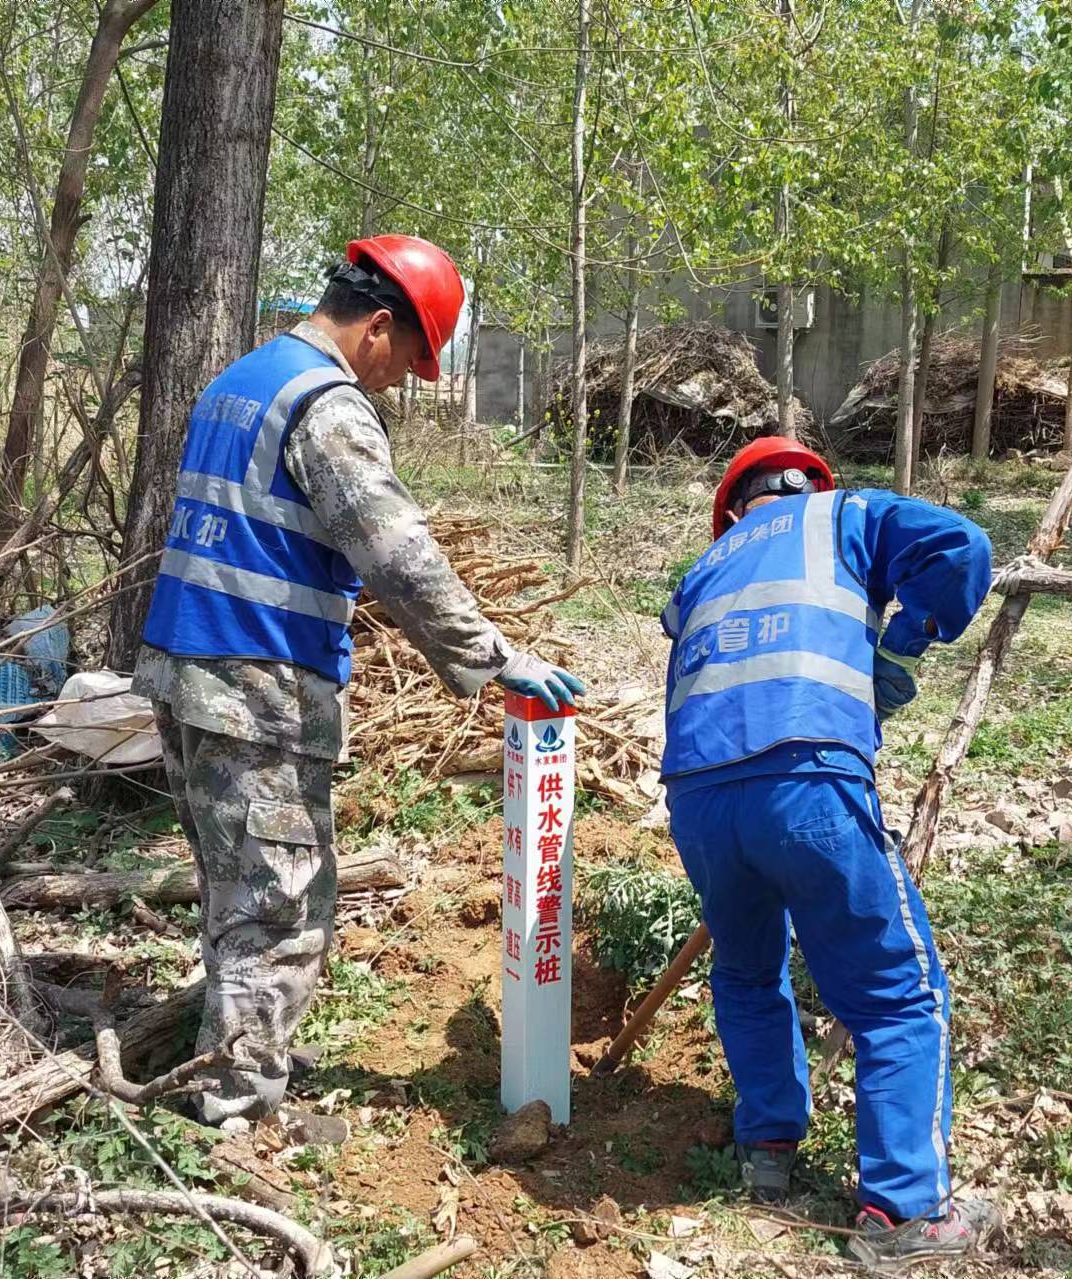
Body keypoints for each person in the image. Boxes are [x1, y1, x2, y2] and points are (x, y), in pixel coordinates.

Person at [136, 235, 584, 1123]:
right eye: (406, 362)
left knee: (238, 889)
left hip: (186, 670)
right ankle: (238, 1103)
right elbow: (398, 557)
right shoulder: (326, 404)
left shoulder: (241, 381)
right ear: (378, 325)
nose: (394, 383)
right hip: (255, 683)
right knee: (278, 903)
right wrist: (495, 658)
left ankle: (238, 1056)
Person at [660, 437, 998, 1269]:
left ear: (733, 508)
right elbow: (962, 549)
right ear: (807, 483)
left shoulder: (700, 574)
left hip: (698, 798)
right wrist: (902, 643)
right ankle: (906, 1210)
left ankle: (766, 1152)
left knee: (745, 972)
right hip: (807, 775)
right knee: (897, 992)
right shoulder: (845, 514)